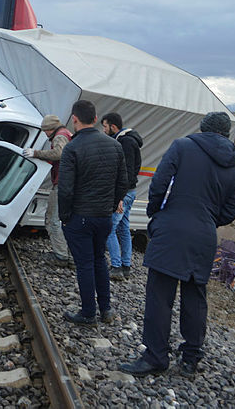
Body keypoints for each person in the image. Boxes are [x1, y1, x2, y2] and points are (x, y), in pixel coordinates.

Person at [120, 112, 235, 377]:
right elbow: (230, 211)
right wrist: (207, 220)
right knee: (195, 299)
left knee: (159, 298)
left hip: (171, 231)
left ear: (202, 128)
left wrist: (157, 214)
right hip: (205, 237)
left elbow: (159, 185)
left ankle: (155, 357)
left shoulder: (183, 146)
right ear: (226, 133)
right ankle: (190, 359)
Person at [58, 99, 127, 327]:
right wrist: (110, 205)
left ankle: (88, 313)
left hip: (80, 215)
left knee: (85, 264)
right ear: (96, 119)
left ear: (74, 119)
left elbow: (66, 188)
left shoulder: (72, 148)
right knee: (99, 260)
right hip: (103, 217)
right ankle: (105, 309)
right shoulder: (114, 146)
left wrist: (64, 217)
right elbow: (122, 183)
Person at [23, 115, 73, 267]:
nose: (45, 133)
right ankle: (69, 253)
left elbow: (59, 154)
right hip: (69, 184)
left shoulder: (59, 136)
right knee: (66, 222)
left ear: (50, 129)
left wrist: (36, 153)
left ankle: (61, 256)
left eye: (45, 131)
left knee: (51, 220)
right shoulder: (66, 133)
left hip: (62, 184)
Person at [101, 112, 143, 281]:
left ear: (113, 127)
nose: (103, 130)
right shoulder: (129, 140)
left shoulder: (125, 142)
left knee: (110, 228)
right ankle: (125, 266)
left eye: (105, 126)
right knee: (123, 228)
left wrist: (119, 197)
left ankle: (116, 267)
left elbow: (126, 172)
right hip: (129, 191)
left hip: (124, 193)